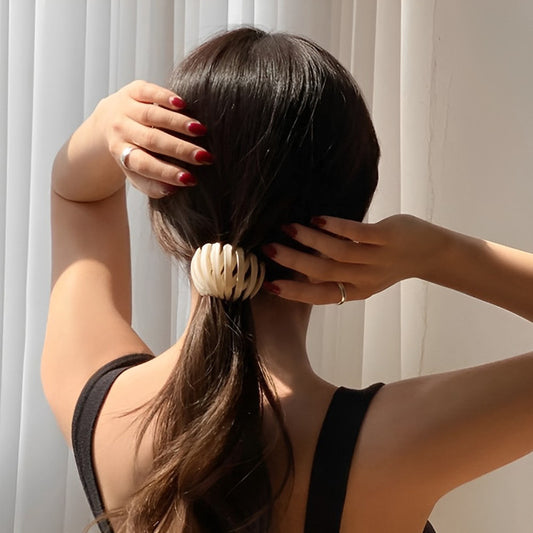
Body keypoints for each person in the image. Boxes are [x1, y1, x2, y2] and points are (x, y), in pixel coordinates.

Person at [41, 27, 533, 533]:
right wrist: (438, 253)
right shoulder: (395, 442)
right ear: (351, 214)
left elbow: (76, 193)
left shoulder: (100, 407)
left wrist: (106, 126)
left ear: (166, 203)